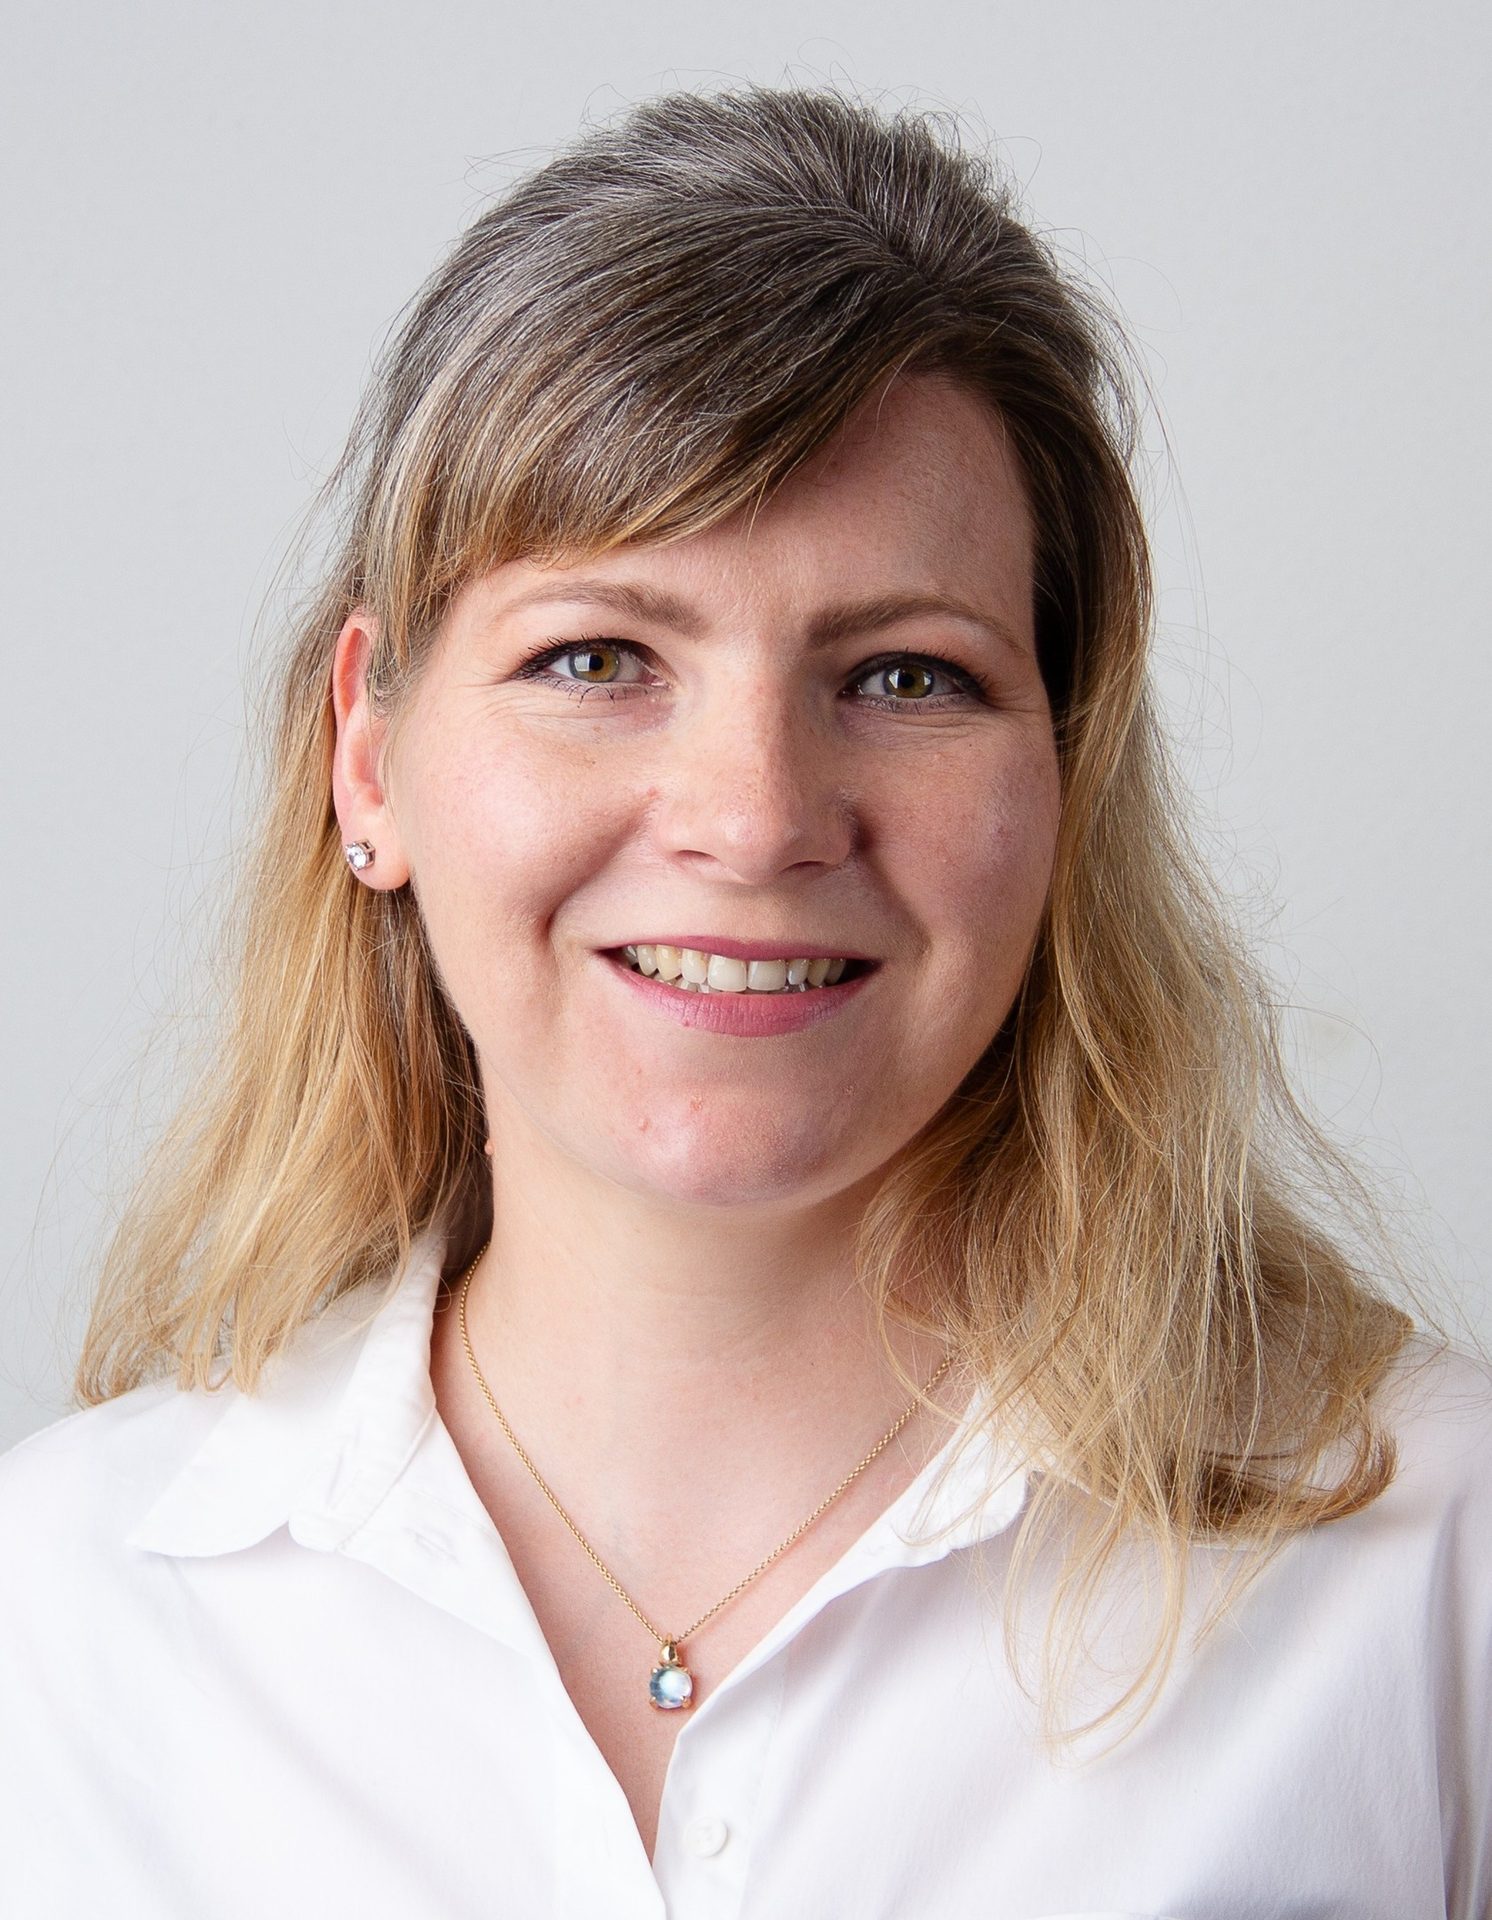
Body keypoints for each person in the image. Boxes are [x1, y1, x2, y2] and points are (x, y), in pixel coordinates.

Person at [1, 84, 1487, 1920]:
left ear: (1066, 776)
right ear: (368, 757)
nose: (756, 819)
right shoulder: (50, 1626)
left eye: (906, 678)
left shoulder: (1431, 1566)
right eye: (598, 657)